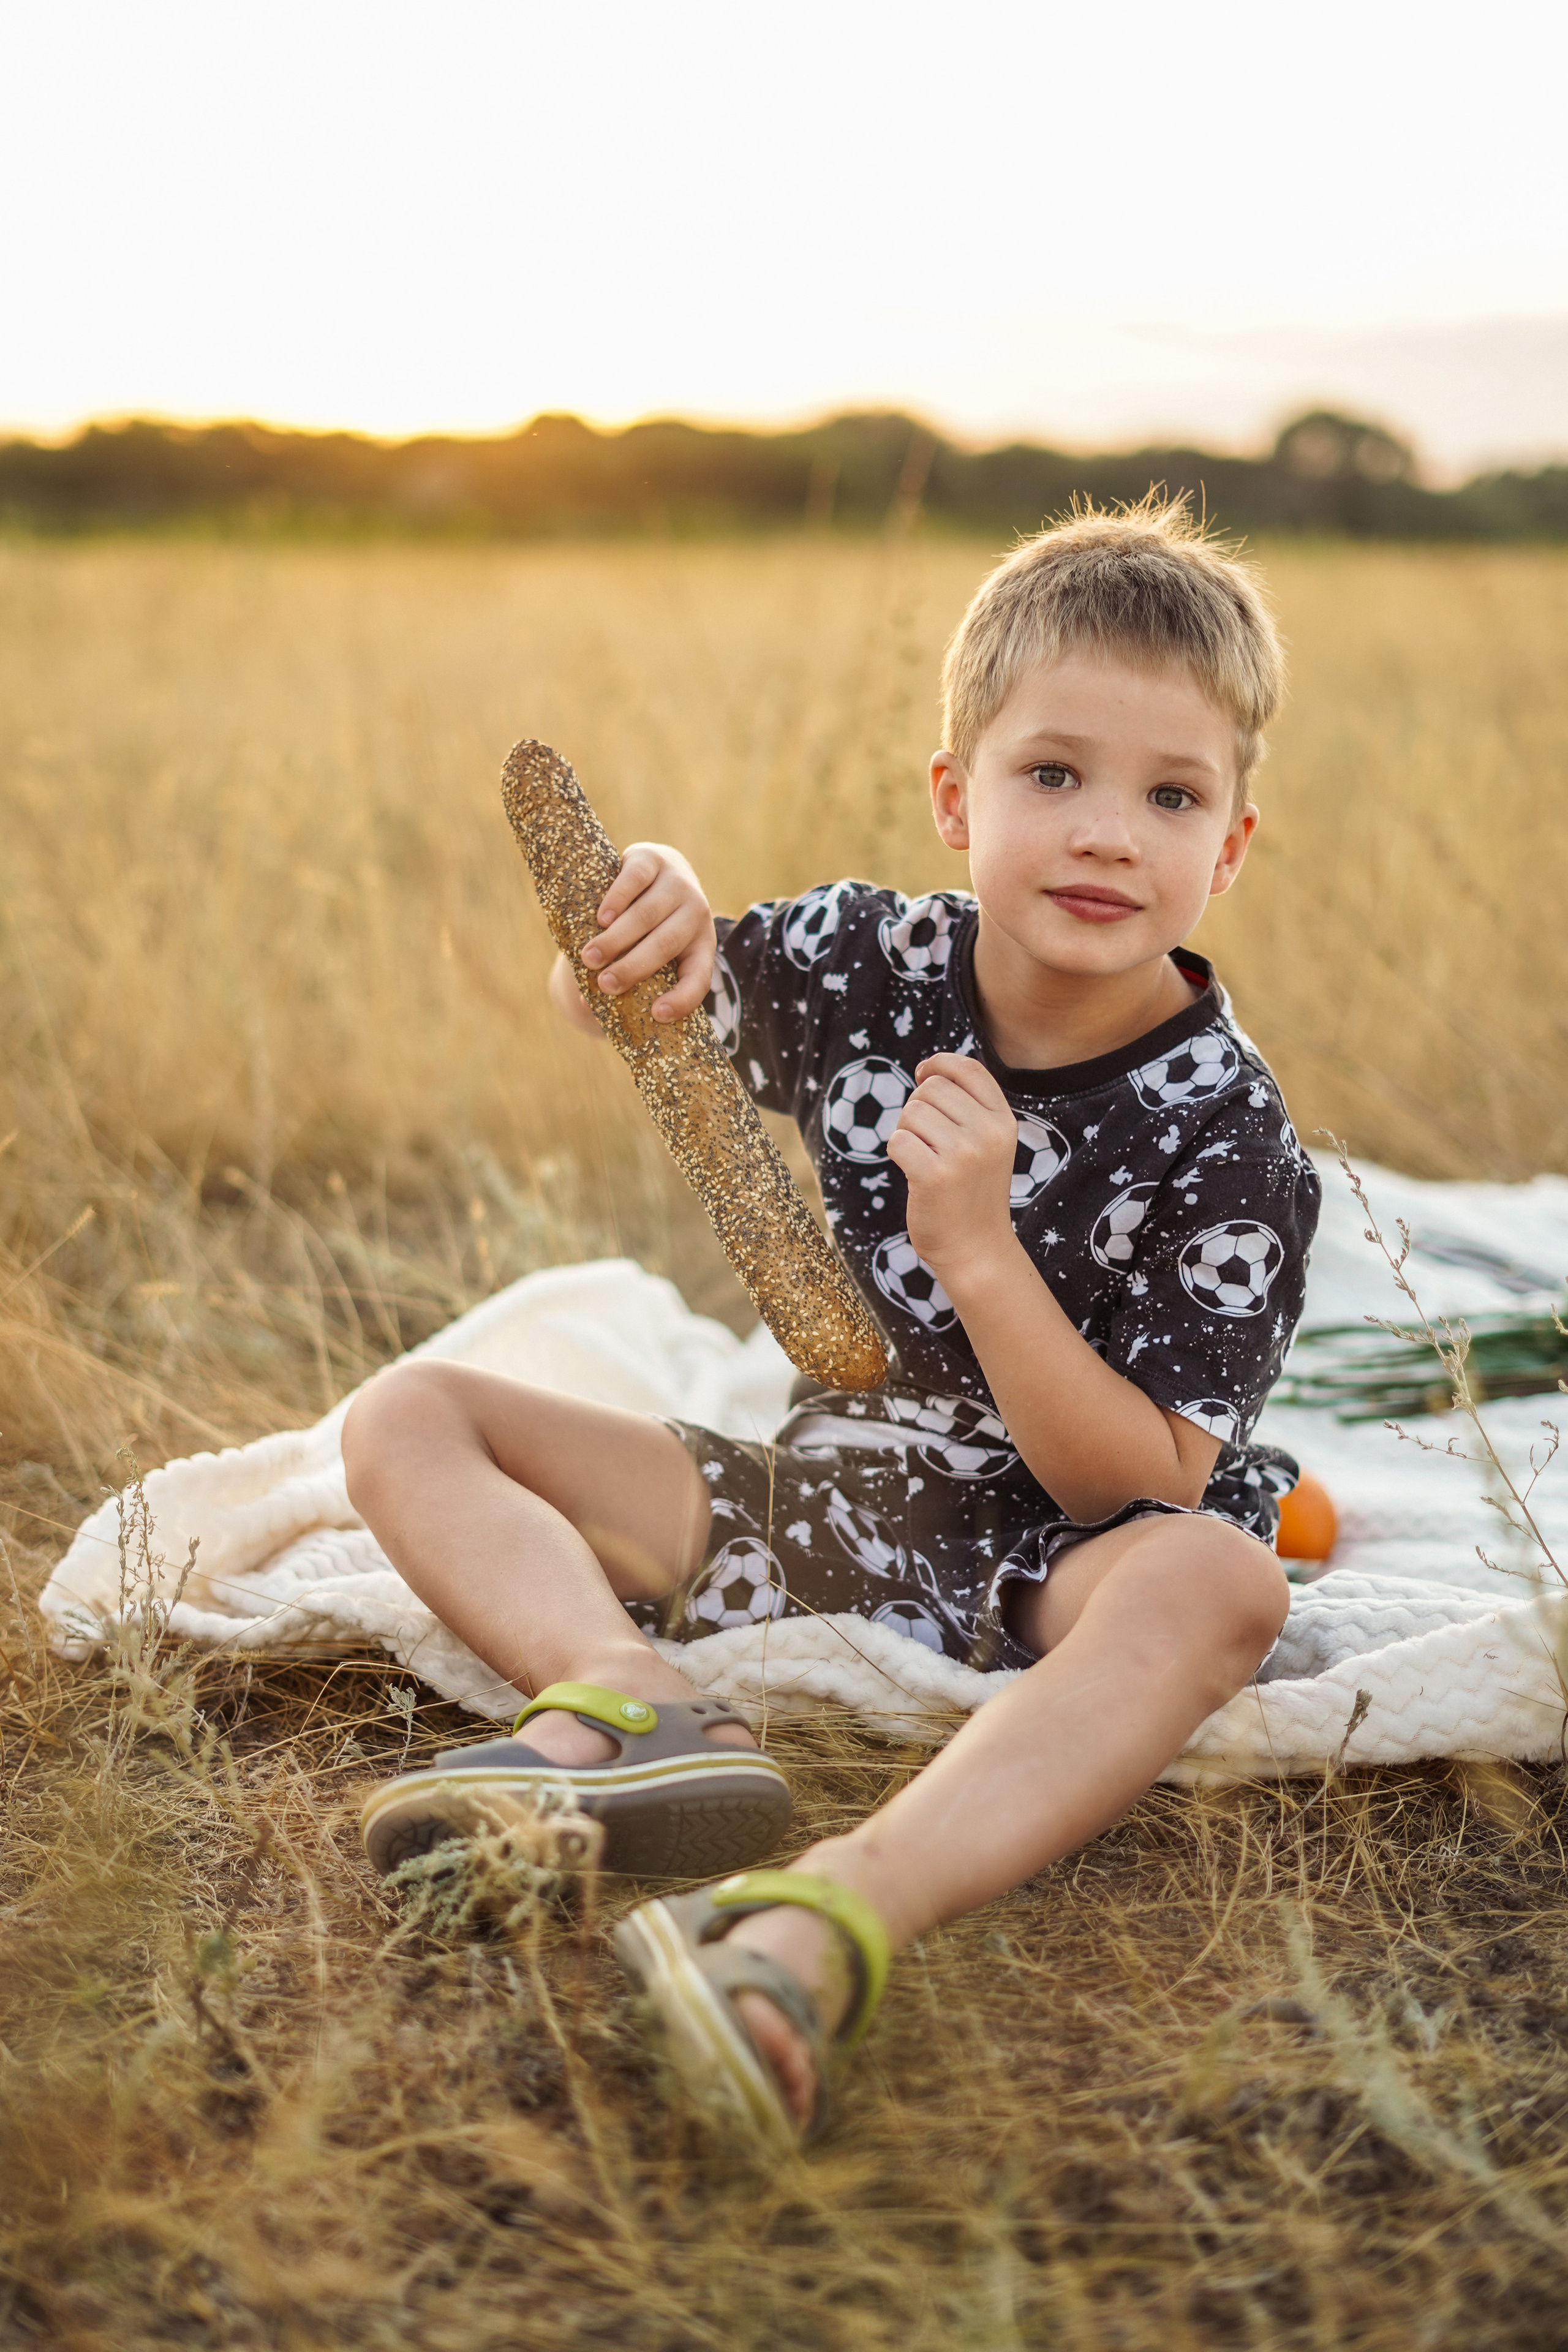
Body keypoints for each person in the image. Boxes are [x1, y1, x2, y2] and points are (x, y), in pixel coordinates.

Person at [343, 502, 1320, 2150]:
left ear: (1228, 848)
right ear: (958, 797)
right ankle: (632, 1697)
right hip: (829, 1492)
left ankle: (819, 1918)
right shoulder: (880, 960)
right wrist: (646, 910)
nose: (1105, 834)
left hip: (1057, 1543)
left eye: (1171, 797)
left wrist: (982, 1256)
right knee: (404, 1417)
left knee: (1225, 1579)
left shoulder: (1232, 1139)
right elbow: (648, 1001)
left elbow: (1125, 1484)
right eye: (1052, 775)